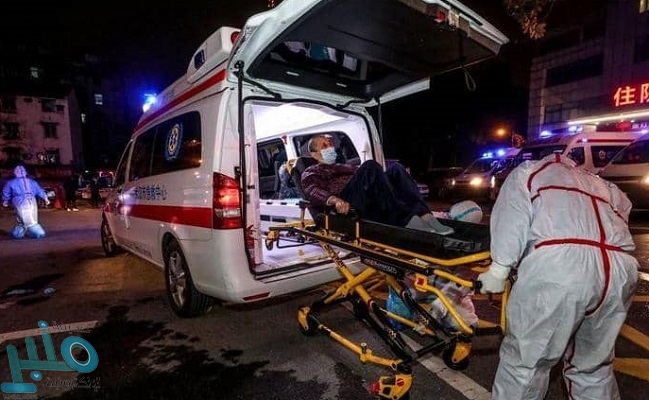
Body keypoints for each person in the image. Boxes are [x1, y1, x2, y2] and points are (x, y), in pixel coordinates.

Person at [477, 153, 639, 400]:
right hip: (619, 267)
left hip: (560, 268)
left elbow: (512, 218)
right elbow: (624, 209)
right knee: (593, 367)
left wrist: (499, 269)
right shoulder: (600, 183)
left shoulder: (528, 173)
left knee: (526, 365)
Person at [300, 134, 453, 234]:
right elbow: (312, 190)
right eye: (324, 146)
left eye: (330, 144)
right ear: (314, 154)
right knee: (370, 165)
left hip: (367, 198)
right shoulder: (311, 171)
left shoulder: (346, 166)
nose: (330, 147)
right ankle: (405, 220)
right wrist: (335, 200)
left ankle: (425, 215)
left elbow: (374, 179)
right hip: (348, 201)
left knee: (396, 169)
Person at [1, 165, 50, 239]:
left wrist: (5, 200)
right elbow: (39, 191)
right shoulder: (32, 182)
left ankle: (23, 234)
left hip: (20, 201)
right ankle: (23, 234)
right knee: (27, 218)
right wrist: (45, 198)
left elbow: (6, 192)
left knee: (26, 219)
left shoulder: (11, 183)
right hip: (30, 201)